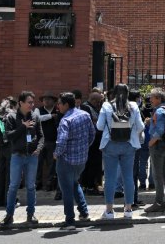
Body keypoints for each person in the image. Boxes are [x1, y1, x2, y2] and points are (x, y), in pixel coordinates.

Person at [97, 83, 145, 220]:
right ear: (128, 93)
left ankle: (109, 211)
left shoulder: (106, 106)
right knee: (128, 177)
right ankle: (128, 209)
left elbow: (100, 127)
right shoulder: (133, 106)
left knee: (110, 178)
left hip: (110, 144)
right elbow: (140, 126)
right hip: (129, 144)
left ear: (113, 93)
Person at [0, 90, 44, 228]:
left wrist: (39, 148)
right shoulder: (12, 117)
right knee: (13, 186)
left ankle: (31, 214)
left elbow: (41, 135)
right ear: (21, 103)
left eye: (32, 102)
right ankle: (9, 215)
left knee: (31, 186)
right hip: (17, 155)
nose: (32, 105)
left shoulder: (36, 116)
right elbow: (8, 136)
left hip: (32, 156)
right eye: (29, 102)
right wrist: (22, 127)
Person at [54, 92, 95, 230]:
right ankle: (84, 212)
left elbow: (61, 141)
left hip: (66, 160)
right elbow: (92, 134)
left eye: (59, 103)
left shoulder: (65, 120)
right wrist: (83, 148)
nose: (58, 106)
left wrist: (56, 154)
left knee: (66, 190)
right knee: (74, 184)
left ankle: (70, 221)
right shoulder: (85, 115)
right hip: (81, 159)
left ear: (66, 104)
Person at [144, 87, 165, 213]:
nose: (150, 99)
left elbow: (160, 130)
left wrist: (151, 142)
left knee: (157, 175)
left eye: (152, 97)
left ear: (158, 98)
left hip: (158, 145)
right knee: (164, 173)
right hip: (164, 145)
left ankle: (159, 202)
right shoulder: (164, 109)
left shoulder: (160, 112)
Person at [0, 97, 17, 207]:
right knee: (10, 175)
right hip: (11, 148)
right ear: (12, 106)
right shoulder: (13, 115)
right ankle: (9, 200)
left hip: (0, 148)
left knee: (1, 174)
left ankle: (0, 200)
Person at [80, 89, 104, 195]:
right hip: (91, 141)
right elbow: (91, 122)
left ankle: (92, 185)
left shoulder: (92, 107)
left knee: (94, 164)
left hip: (96, 139)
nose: (99, 104)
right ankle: (89, 186)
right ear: (93, 100)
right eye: (98, 101)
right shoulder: (86, 107)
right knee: (91, 164)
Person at [37, 93, 59, 191]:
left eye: (49, 99)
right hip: (40, 142)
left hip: (53, 141)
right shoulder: (39, 110)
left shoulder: (57, 110)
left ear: (53, 101)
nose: (46, 101)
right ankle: (38, 183)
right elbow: (37, 119)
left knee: (51, 164)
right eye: (44, 99)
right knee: (38, 163)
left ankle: (50, 183)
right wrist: (51, 116)